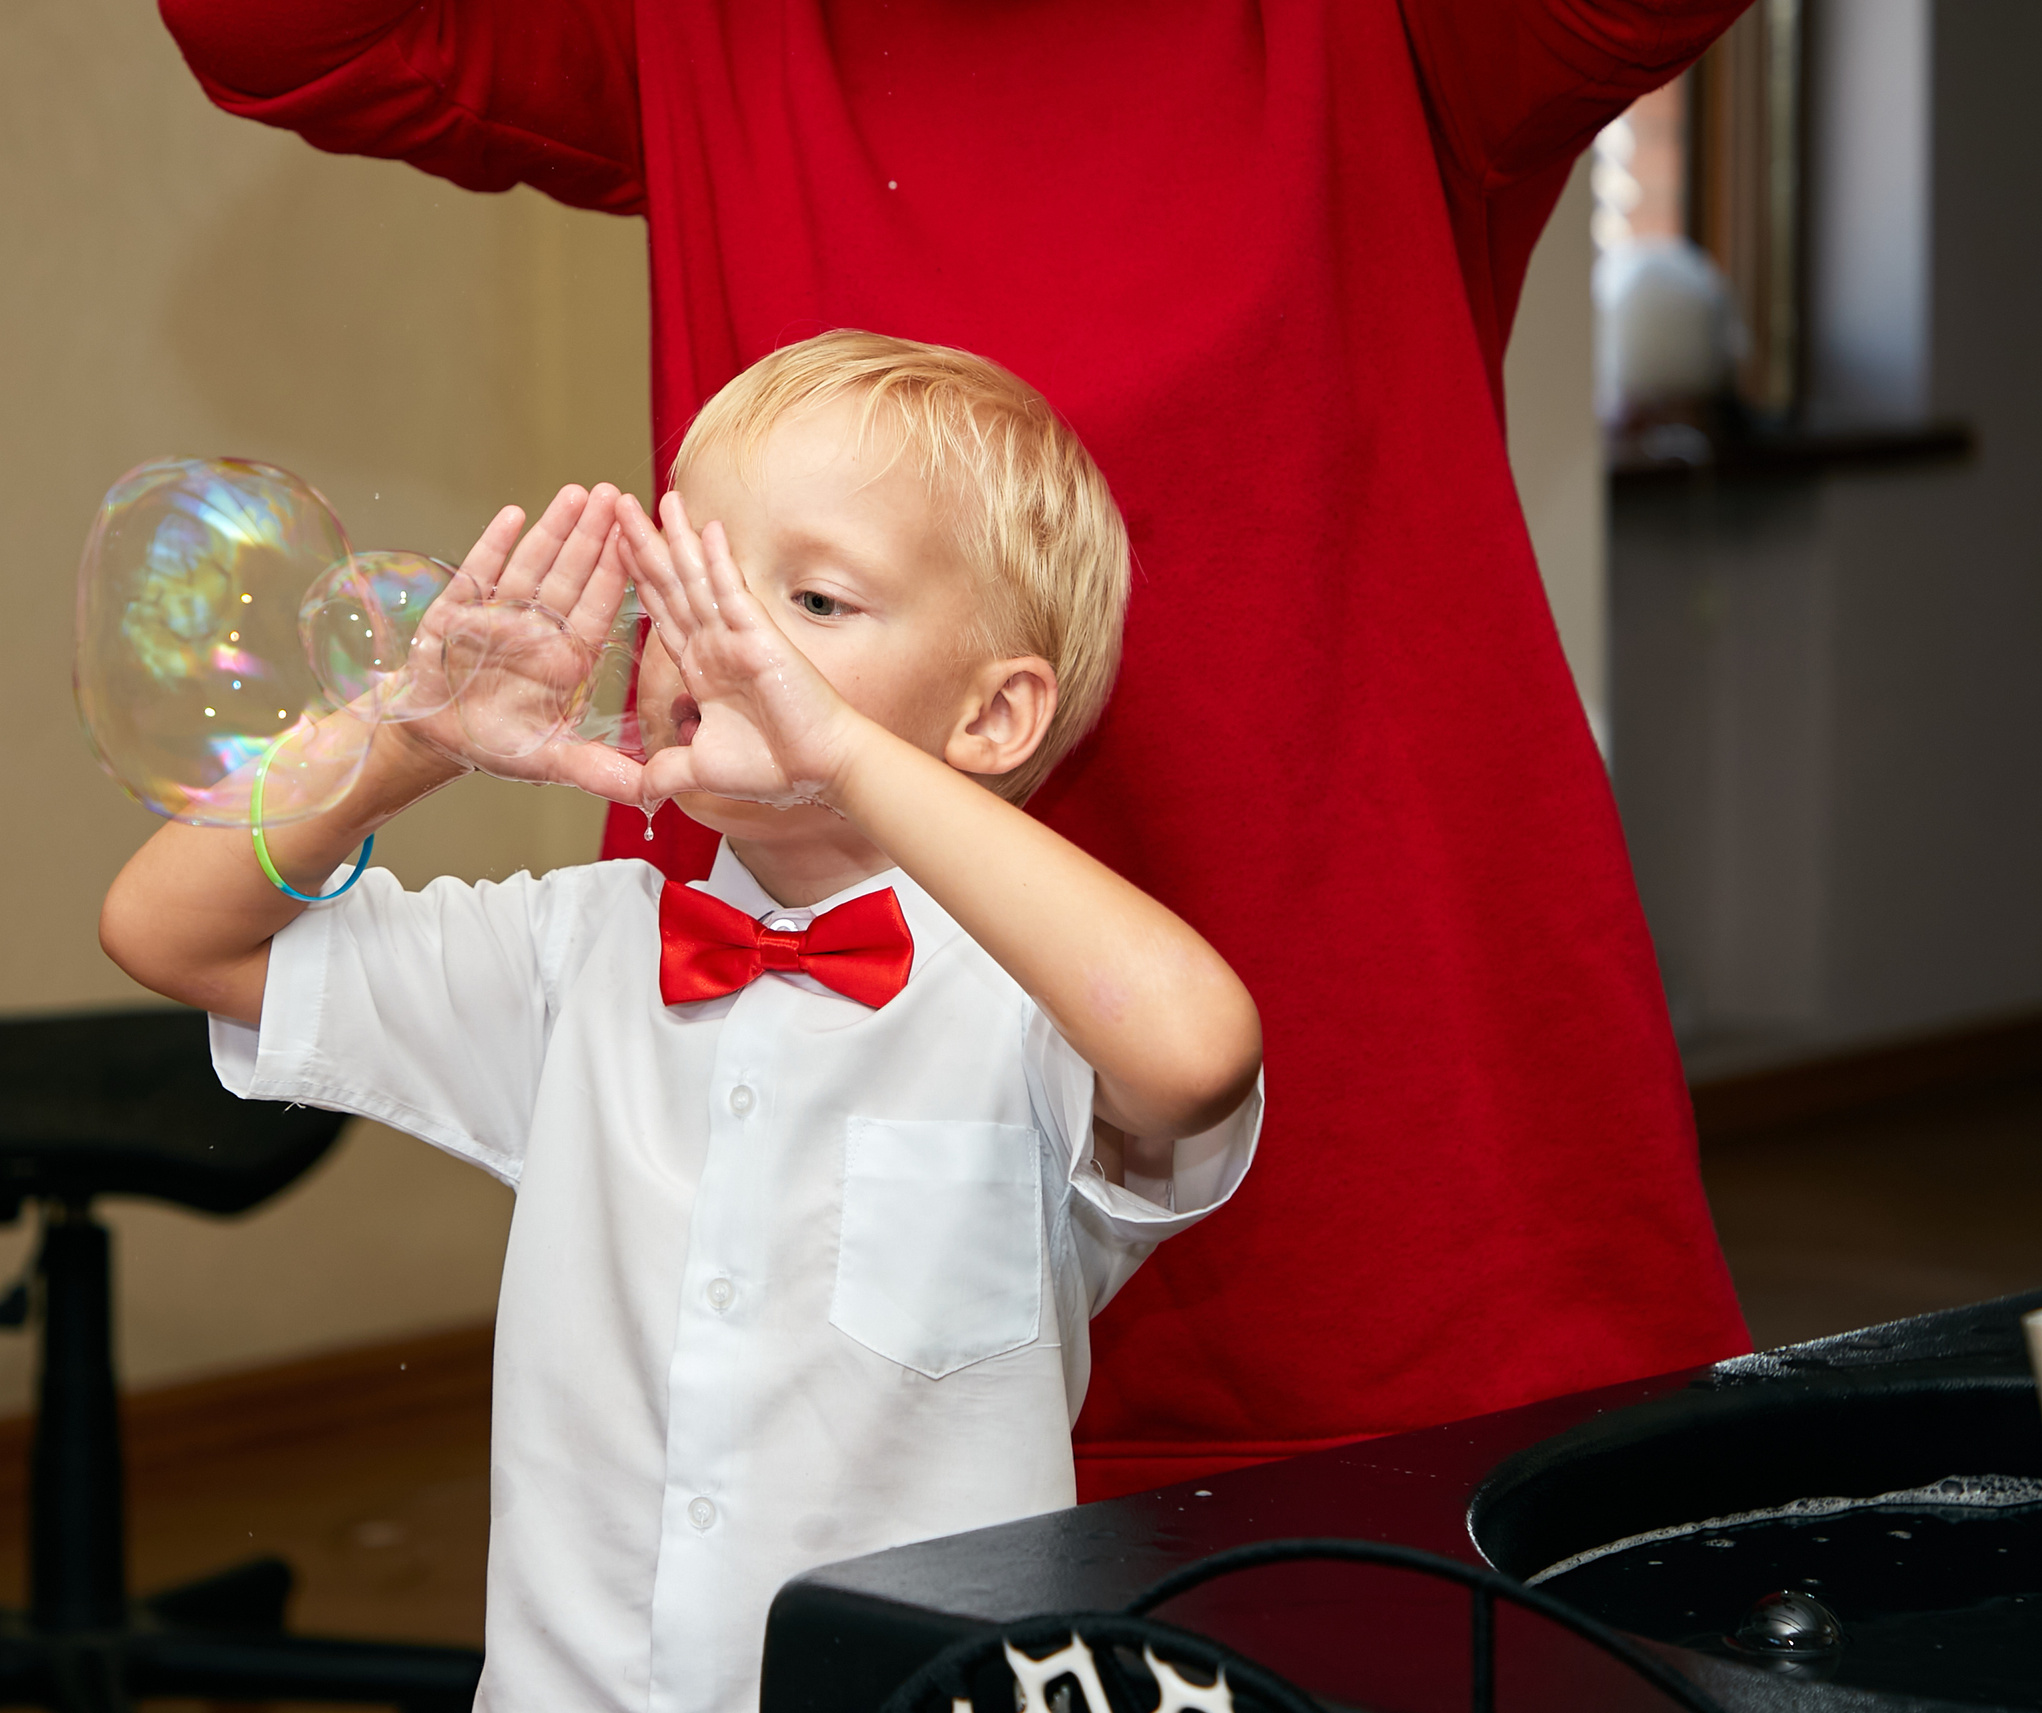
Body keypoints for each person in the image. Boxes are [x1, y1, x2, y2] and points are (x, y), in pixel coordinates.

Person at [156, 0, 1754, 1500]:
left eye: (815, 594)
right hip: (788, 1074)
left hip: (1383, 1154)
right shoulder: (718, 27)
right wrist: (404, 732)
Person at [101, 333, 1266, 1713]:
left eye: (813, 599)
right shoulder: (570, 954)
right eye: (686, 585)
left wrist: (844, 754)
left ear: (993, 715)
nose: (723, 639)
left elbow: (1197, 1051)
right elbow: (167, 930)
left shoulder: (1035, 1011)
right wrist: (409, 735)